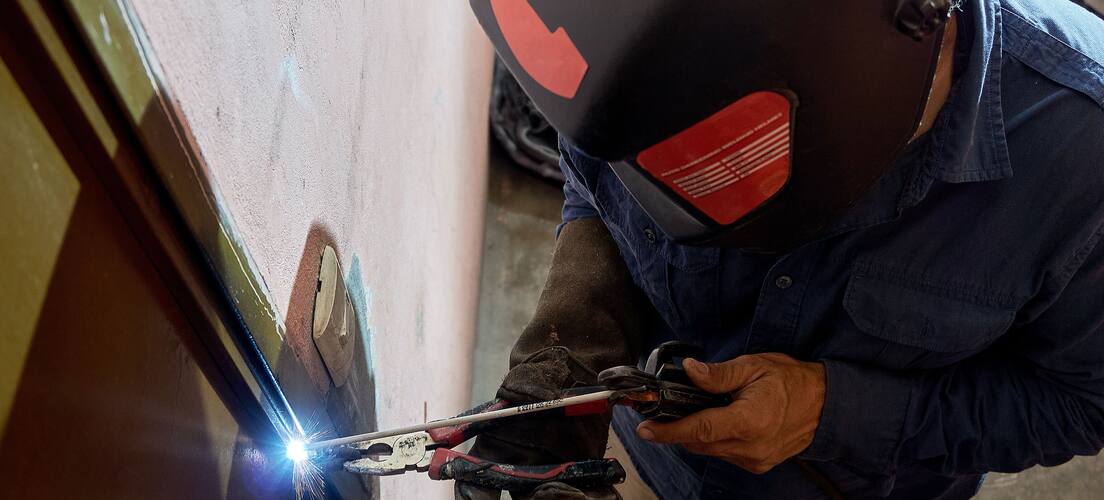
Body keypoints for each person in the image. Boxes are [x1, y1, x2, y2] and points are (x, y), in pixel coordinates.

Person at [460, 0, 1104, 498]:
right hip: (636, 453)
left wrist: (832, 412)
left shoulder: (1082, 160)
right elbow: (599, 174)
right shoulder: (628, 37)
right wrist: (574, 342)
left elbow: (1080, 403)